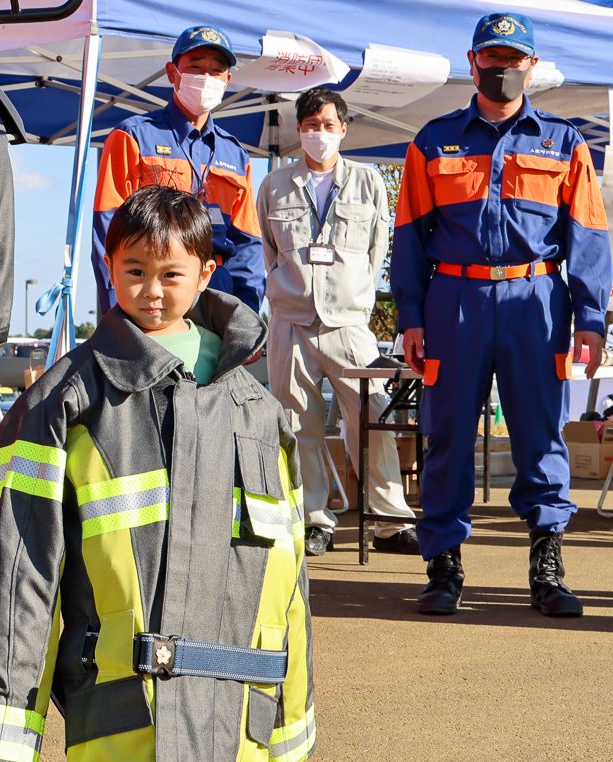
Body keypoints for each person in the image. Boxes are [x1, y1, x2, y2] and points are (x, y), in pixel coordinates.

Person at [0, 186, 315, 762]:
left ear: (207, 274)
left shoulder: (260, 413)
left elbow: (290, 582)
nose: (151, 291)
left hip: (238, 728)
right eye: (134, 271)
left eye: (170, 274)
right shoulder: (65, 399)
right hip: (121, 724)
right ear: (109, 268)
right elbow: (23, 568)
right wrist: (10, 717)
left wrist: (292, 717)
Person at [392, 12, 611, 617]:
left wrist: (591, 320)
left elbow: (589, 237)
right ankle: (443, 567)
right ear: (472, 62)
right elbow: (408, 234)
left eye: (515, 59)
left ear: (532, 67)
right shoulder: (432, 141)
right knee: (446, 436)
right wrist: (410, 316)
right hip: (452, 303)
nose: (503, 68)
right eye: (492, 58)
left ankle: (546, 568)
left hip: (537, 302)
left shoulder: (566, 144)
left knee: (541, 436)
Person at [258, 88, 418, 558]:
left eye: (327, 125)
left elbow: (376, 252)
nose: (318, 134)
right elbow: (270, 251)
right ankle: (314, 520)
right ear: (298, 130)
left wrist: (354, 299)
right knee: (297, 424)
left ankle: (390, 520)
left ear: (343, 129)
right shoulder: (274, 185)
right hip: (290, 322)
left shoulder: (368, 182)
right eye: (310, 126)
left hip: (349, 325)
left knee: (373, 417)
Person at [91, 24, 265, 315]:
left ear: (228, 80)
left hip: (217, 292)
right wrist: (116, 312)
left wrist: (247, 316)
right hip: (153, 290)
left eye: (216, 71)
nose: (206, 78)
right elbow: (108, 229)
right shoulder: (133, 137)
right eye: (196, 68)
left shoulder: (235, 154)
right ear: (173, 73)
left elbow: (247, 243)